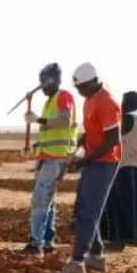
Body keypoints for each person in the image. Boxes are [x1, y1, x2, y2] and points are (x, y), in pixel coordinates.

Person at [52, 64, 122, 273]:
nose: (80, 91)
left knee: (87, 213)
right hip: (94, 161)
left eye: (82, 87)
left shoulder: (106, 102)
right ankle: (96, 256)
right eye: (78, 88)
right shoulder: (90, 99)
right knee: (83, 208)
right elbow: (91, 132)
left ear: (93, 81)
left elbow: (112, 141)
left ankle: (77, 263)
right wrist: (78, 147)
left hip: (104, 163)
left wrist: (84, 161)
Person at [22, 63, 77, 257]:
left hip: (57, 159)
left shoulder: (63, 97)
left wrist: (37, 120)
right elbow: (49, 135)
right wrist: (33, 148)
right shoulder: (49, 102)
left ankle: (35, 243)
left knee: (40, 201)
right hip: (48, 158)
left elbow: (64, 121)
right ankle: (47, 242)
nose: (41, 86)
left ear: (52, 80)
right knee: (49, 201)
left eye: (43, 81)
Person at [100, 91, 137, 251]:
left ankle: (119, 241)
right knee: (133, 205)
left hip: (128, 167)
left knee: (121, 205)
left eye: (123, 101)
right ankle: (130, 238)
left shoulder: (129, 118)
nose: (121, 104)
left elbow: (111, 133)